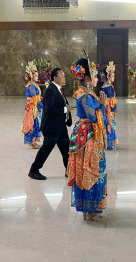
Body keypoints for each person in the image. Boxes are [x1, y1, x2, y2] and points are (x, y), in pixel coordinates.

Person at [67, 57, 108, 221]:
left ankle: (89, 207)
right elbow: (93, 117)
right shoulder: (84, 95)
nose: (97, 79)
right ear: (86, 78)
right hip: (88, 135)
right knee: (90, 167)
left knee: (90, 167)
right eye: (95, 76)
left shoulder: (88, 93)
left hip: (88, 132)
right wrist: (103, 106)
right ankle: (89, 207)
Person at [28, 68, 72, 180]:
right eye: (61, 76)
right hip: (52, 126)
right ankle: (34, 170)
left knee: (66, 149)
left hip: (60, 126)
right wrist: (65, 109)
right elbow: (49, 109)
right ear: (55, 78)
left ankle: (69, 170)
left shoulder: (58, 89)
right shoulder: (51, 90)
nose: (64, 77)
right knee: (46, 150)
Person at [22, 61, 43, 149]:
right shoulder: (31, 86)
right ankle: (32, 141)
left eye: (37, 75)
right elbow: (35, 98)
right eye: (36, 75)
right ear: (31, 76)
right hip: (32, 108)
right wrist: (43, 105)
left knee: (36, 123)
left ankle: (34, 140)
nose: (37, 77)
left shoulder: (34, 85)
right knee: (32, 124)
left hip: (35, 107)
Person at [101, 61, 118, 150]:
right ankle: (109, 143)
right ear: (108, 76)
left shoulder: (108, 85)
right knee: (109, 124)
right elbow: (110, 100)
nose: (114, 77)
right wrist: (114, 107)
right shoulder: (107, 87)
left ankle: (109, 142)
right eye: (112, 76)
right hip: (108, 109)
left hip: (109, 108)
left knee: (110, 124)